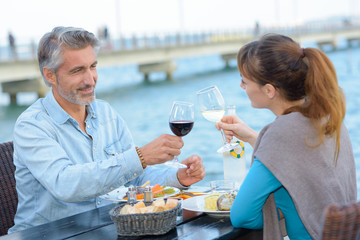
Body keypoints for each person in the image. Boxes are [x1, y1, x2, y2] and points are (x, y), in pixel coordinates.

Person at [9, 26, 205, 233]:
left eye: (92, 66)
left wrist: (178, 178)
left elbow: (135, 177)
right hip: (47, 235)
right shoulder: (32, 125)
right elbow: (64, 183)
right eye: (77, 70)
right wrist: (139, 157)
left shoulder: (106, 112)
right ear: (50, 75)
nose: (90, 79)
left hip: (104, 229)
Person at [216, 34, 356, 239]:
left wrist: (279, 212)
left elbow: (242, 216)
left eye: (244, 81)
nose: (241, 86)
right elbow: (298, 162)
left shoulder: (282, 132)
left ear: (270, 90)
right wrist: (253, 137)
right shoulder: (325, 113)